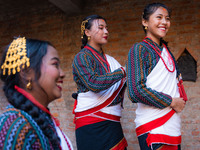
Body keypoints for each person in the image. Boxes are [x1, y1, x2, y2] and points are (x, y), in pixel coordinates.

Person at [126, 3, 187, 150]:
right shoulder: (139, 49)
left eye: (167, 18)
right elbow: (135, 91)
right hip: (153, 126)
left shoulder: (166, 51)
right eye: (159, 17)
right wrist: (171, 101)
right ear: (145, 22)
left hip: (172, 124)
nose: (164, 22)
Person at [0, 37, 73, 150]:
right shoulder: (14, 126)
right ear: (26, 72)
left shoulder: (42, 121)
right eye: (55, 64)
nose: (62, 74)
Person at [72, 15, 127, 150]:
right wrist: (123, 72)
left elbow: (124, 84)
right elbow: (94, 83)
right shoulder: (81, 57)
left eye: (106, 28)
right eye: (101, 28)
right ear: (87, 32)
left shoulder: (110, 60)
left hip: (113, 123)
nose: (106, 32)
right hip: (91, 124)